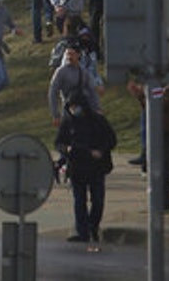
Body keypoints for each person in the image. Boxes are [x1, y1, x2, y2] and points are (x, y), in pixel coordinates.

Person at [54, 92, 117, 243]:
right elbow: (59, 142)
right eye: (71, 107)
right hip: (77, 166)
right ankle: (82, 231)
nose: (74, 110)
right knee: (79, 201)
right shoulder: (68, 123)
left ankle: (93, 226)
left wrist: (101, 151)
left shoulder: (97, 120)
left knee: (98, 200)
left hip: (96, 167)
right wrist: (66, 150)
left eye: (76, 106)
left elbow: (111, 139)